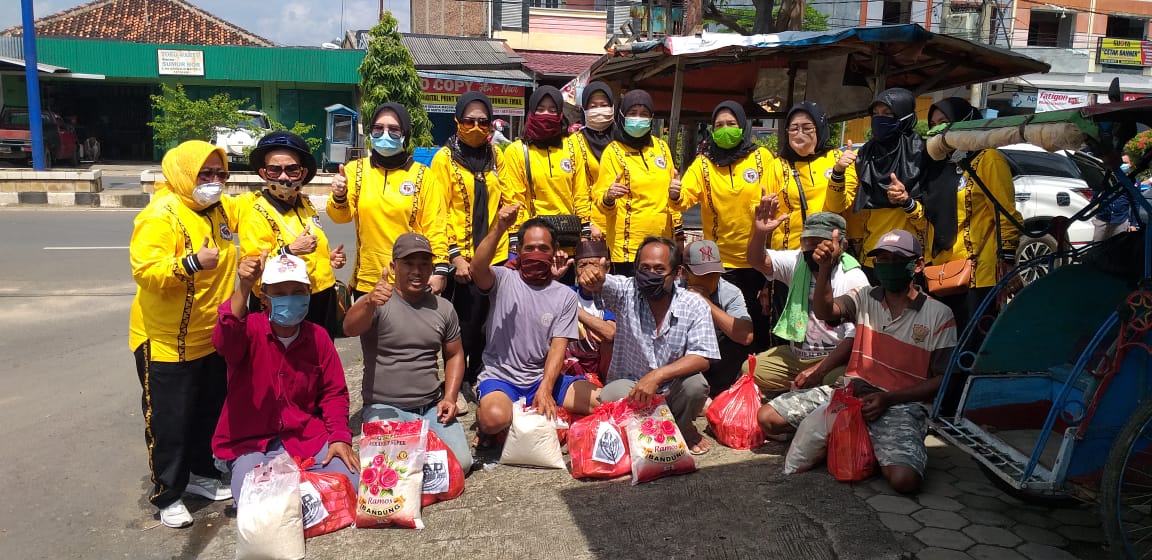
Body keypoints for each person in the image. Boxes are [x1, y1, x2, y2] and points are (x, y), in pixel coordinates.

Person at [757, 229, 957, 494]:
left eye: (896, 259)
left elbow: (944, 379)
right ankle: (852, 438)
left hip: (900, 403)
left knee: (904, 481)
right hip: (849, 393)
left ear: (918, 265)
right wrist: (825, 270)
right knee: (767, 418)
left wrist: (889, 399)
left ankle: (853, 440)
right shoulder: (865, 297)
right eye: (881, 260)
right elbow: (825, 311)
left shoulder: (939, 314)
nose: (887, 266)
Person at [128, 140, 237, 528]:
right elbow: (146, 271)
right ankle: (168, 493)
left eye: (219, 174)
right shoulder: (161, 215)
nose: (213, 181)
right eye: (204, 174)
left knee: (206, 412)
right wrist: (192, 262)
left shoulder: (218, 209)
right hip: (165, 340)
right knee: (169, 422)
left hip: (209, 336)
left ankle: (201, 474)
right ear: (182, 174)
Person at [212, 253, 359, 503]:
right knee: (257, 504)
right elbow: (225, 337)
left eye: (297, 292)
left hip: (306, 437)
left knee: (352, 484)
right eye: (280, 293)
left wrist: (338, 438)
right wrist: (244, 286)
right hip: (254, 444)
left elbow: (334, 393)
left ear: (309, 294)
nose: (289, 299)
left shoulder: (318, 337)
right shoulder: (250, 330)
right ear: (264, 298)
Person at [342, 233, 473, 473]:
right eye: (408, 264)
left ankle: (419, 466)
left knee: (461, 464)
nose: (417, 271)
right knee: (388, 468)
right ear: (393, 267)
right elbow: (350, 328)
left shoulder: (443, 308)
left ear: (432, 268)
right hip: (386, 409)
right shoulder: (377, 301)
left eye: (424, 264)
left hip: (431, 406)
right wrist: (369, 301)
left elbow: (454, 355)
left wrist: (450, 397)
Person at [578, 236, 720, 455]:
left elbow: (702, 357)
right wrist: (592, 275)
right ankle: (648, 431)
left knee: (696, 385)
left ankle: (682, 427)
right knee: (610, 394)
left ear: (677, 273)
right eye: (644, 268)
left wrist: (657, 376)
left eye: (659, 269)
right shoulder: (626, 291)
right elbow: (603, 282)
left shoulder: (694, 304)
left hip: (672, 388)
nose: (650, 275)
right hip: (632, 387)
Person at [471, 205, 602, 439]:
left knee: (602, 402)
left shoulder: (565, 296)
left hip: (543, 377)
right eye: (529, 248)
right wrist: (500, 227)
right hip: (502, 378)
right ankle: (490, 422)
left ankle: (524, 418)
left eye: (543, 248)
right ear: (518, 250)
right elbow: (477, 267)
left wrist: (546, 388)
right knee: (493, 419)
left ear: (555, 251)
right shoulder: (502, 279)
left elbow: (558, 347)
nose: (536, 253)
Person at [428, 92, 515, 401]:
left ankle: (479, 373)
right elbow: (438, 211)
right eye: (469, 120)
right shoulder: (444, 158)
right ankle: (456, 379)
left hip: (494, 255)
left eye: (483, 121)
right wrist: (454, 257)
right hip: (461, 257)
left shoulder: (496, 156)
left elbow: (508, 198)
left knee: (486, 322)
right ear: (457, 121)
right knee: (462, 323)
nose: (476, 127)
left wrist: (512, 245)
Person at [671, 101, 775, 352]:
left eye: (731, 124)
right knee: (724, 326)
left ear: (742, 126)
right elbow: (683, 199)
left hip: (759, 260)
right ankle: (726, 380)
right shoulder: (703, 164)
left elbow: (777, 197)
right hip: (720, 264)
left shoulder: (762, 158)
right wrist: (675, 193)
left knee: (760, 322)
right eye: (719, 125)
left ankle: (754, 380)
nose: (725, 129)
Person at [328, 103, 450, 298]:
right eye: (378, 128)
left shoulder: (423, 176)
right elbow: (340, 217)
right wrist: (339, 195)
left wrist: (440, 269)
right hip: (367, 280)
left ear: (405, 135)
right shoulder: (355, 170)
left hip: (411, 281)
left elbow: (436, 227)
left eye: (393, 129)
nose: (385, 134)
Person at [923, 98, 1022, 335]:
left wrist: (1007, 260)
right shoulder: (940, 166)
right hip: (941, 273)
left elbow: (1005, 214)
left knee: (971, 345)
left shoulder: (988, 159)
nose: (938, 129)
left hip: (979, 274)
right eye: (933, 124)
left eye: (945, 122)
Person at [744, 206, 869, 393]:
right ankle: (805, 387)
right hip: (798, 356)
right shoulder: (798, 261)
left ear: (842, 245)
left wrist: (818, 370)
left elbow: (855, 337)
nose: (815, 249)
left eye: (822, 242)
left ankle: (812, 389)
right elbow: (757, 261)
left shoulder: (853, 276)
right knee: (750, 369)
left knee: (840, 381)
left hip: (834, 359)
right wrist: (760, 233)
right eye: (808, 242)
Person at [239, 131, 345, 337]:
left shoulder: (305, 204)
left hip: (320, 296)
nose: (284, 177)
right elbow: (252, 268)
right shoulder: (256, 212)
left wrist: (327, 257)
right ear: (263, 173)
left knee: (319, 359)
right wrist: (290, 250)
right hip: (283, 301)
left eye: (292, 169)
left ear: (303, 173)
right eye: (274, 170)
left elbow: (310, 246)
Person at [826, 88, 927, 274]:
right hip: (873, 258)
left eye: (888, 114)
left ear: (905, 116)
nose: (880, 120)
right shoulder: (862, 157)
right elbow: (835, 204)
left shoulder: (923, 155)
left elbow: (930, 221)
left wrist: (907, 201)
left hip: (910, 260)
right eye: (875, 114)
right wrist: (838, 171)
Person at [593, 90, 683, 276]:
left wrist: (675, 196)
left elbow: (672, 200)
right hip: (627, 250)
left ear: (652, 118)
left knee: (660, 301)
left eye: (644, 114)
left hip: (662, 246)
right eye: (633, 114)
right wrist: (609, 196)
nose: (638, 119)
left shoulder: (661, 148)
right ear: (622, 116)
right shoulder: (613, 151)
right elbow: (601, 202)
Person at [503, 86, 596, 247]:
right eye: (540, 109)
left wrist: (585, 229)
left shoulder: (573, 146)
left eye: (552, 110)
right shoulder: (517, 151)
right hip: (535, 242)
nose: (546, 114)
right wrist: (516, 237)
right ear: (531, 112)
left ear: (560, 114)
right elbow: (514, 199)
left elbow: (580, 192)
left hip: (568, 237)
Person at [679, 239, 754, 396]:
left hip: (718, 364)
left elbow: (746, 336)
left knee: (734, 343)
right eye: (703, 275)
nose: (710, 279)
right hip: (685, 361)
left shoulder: (730, 292)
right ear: (684, 273)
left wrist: (705, 302)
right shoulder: (674, 290)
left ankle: (722, 393)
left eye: (714, 273)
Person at [570, 81, 617, 241]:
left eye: (604, 105)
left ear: (612, 107)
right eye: (593, 106)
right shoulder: (575, 142)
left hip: (624, 223)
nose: (599, 110)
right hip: (594, 228)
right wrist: (587, 224)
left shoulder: (623, 139)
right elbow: (578, 189)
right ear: (584, 109)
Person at [568, 239, 617, 383]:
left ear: (606, 269)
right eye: (583, 265)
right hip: (574, 362)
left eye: (594, 265)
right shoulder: (568, 293)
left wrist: (572, 309)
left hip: (604, 366)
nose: (588, 271)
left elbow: (610, 333)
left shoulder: (613, 296)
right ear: (576, 270)